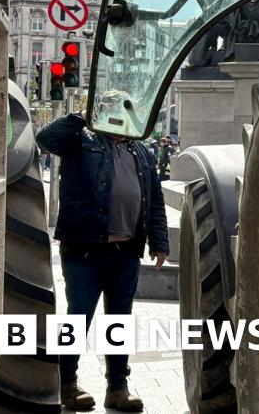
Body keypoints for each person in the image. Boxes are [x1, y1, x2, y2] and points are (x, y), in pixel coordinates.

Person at [36, 113, 169, 412]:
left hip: (126, 253)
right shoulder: (81, 141)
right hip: (85, 250)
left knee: (118, 322)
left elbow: (155, 200)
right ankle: (67, 385)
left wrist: (160, 242)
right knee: (77, 319)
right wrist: (82, 117)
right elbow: (45, 139)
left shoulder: (141, 152)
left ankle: (118, 388)